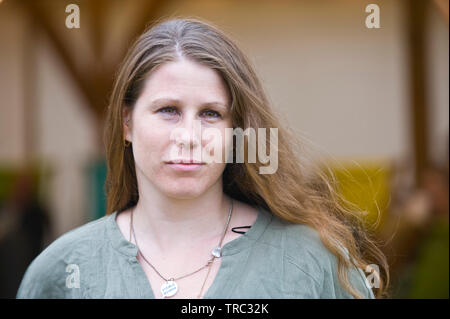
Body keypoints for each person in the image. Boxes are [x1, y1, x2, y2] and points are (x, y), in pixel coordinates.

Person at [16, 17, 388, 299]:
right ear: (127, 122)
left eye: (211, 113)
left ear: (236, 130)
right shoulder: (62, 270)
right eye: (168, 110)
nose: (189, 137)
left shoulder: (312, 260)